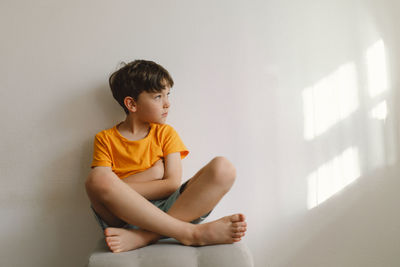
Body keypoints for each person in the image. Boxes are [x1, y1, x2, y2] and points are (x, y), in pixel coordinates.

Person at [85, 59, 247, 253]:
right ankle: (191, 233)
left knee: (224, 168)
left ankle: (146, 236)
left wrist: (123, 185)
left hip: (173, 209)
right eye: (157, 97)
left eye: (167, 95)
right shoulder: (105, 139)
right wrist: (153, 174)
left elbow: (171, 185)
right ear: (132, 103)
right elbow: (104, 188)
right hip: (125, 215)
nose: (167, 104)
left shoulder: (165, 133)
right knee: (96, 179)